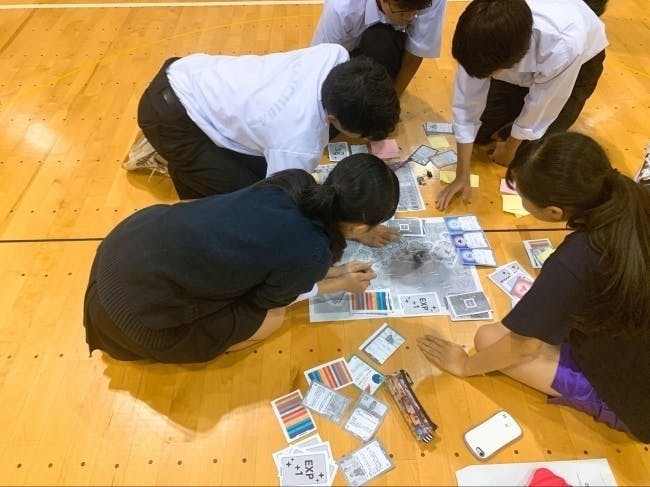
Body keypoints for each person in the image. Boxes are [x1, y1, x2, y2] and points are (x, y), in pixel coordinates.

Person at [419, 132, 650, 443]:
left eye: (522, 196)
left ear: (554, 212)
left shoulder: (576, 260)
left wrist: (465, 365)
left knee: (487, 339)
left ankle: (603, 404)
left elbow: (523, 346)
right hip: (628, 337)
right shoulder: (634, 198)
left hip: (636, 397)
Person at [85, 154, 400, 364]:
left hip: (123, 243)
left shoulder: (295, 180)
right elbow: (265, 301)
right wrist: (341, 282)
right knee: (272, 320)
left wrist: (334, 269)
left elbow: (279, 247)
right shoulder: (313, 253)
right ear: (359, 227)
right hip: (135, 318)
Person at [129, 44, 399, 201]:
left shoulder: (335, 56)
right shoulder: (297, 143)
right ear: (332, 119)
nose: (367, 139)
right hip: (170, 118)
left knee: (259, 171)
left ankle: (177, 151)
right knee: (246, 200)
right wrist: (353, 226)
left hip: (191, 72)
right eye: (363, 135)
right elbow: (277, 204)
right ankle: (162, 151)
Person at [436, 0, 608, 210]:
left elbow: (544, 104)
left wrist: (511, 147)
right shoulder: (478, 34)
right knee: (481, 135)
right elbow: (466, 104)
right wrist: (461, 174)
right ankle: (512, 115)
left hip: (580, 64)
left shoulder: (565, 44)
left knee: (532, 153)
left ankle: (515, 128)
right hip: (515, 56)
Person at [311, 0, 447, 95]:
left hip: (382, 42)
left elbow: (417, 49)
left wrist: (393, 101)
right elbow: (321, 60)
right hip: (343, 54)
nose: (409, 17)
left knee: (379, 41)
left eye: (417, 10)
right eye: (402, 10)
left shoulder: (434, 1)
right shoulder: (341, 7)